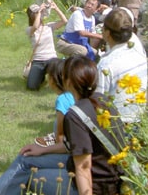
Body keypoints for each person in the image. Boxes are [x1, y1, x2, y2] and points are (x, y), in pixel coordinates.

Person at [32, 56, 126, 195]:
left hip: (97, 187)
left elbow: (83, 168)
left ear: (68, 82)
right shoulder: (105, 101)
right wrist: (43, 150)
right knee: (31, 163)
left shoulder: (75, 115)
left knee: (35, 177)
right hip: (116, 180)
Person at [0, 59, 75, 195]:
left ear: (53, 79)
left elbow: (62, 140)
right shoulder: (76, 97)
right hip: (76, 156)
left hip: (71, 156)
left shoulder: (62, 100)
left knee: (26, 159)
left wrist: (44, 149)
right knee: (33, 170)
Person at [96, 8, 148, 124]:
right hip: (138, 116)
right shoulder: (137, 49)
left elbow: (98, 100)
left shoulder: (107, 64)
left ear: (107, 33)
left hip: (116, 122)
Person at [25, 2, 68, 90]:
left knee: (60, 84)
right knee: (31, 86)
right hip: (38, 60)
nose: (39, 15)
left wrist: (56, 8)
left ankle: (55, 76)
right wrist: (40, 11)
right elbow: (36, 26)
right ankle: (41, 77)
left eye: (39, 12)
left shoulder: (49, 26)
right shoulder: (29, 29)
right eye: (36, 13)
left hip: (51, 58)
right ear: (31, 15)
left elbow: (64, 21)